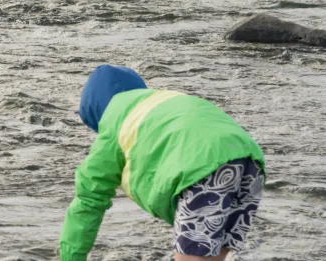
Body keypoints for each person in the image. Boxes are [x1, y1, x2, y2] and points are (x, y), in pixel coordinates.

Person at [60, 65, 266, 261]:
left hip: (203, 167)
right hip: (249, 160)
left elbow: (88, 202)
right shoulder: (163, 101)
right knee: (212, 255)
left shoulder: (114, 125)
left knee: (192, 256)